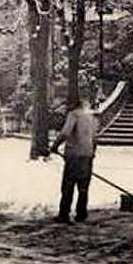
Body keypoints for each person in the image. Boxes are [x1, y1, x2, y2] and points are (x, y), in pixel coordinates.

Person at [50, 91, 99, 224]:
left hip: (74, 156)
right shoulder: (92, 117)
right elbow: (95, 138)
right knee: (84, 187)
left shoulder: (74, 115)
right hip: (87, 155)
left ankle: (64, 214)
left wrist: (54, 146)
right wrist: (92, 153)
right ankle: (81, 213)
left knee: (68, 186)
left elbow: (65, 133)